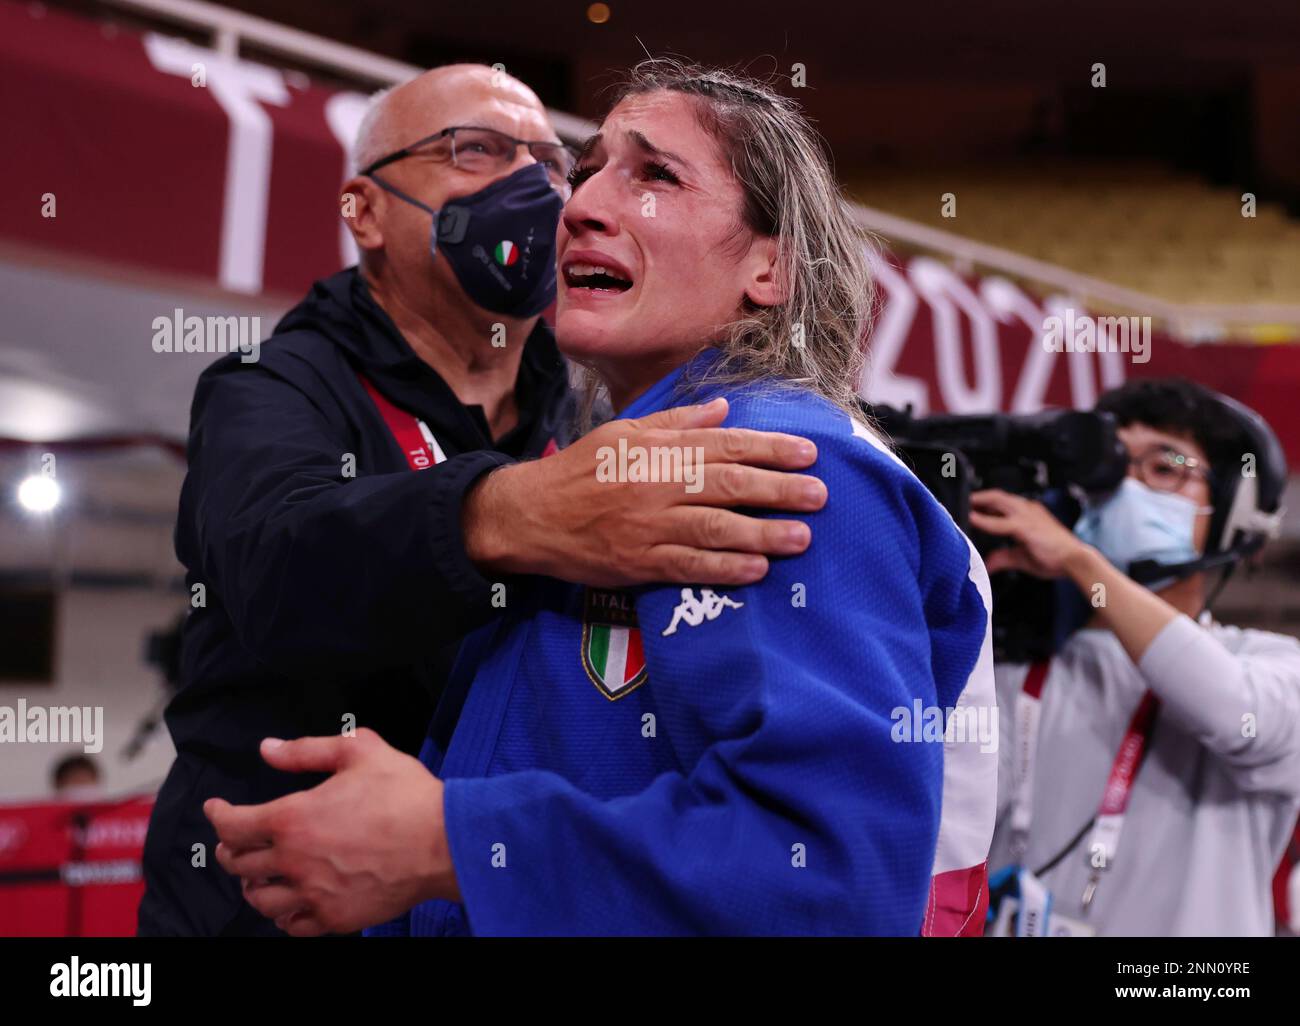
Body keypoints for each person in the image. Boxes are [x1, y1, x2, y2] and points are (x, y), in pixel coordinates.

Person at [206, 60, 997, 937]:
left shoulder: (779, 466)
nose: (569, 205)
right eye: (586, 173)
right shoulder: (591, 461)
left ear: (771, 267)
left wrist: (447, 842)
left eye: (655, 174)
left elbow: (829, 883)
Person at [970, 378, 1300, 936]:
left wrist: (1079, 563)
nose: (1128, 487)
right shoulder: (1018, 669)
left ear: (1232, 512)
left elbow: (1234, 716)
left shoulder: (1273, 664)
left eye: (1165, 467)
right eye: (1115, 466)